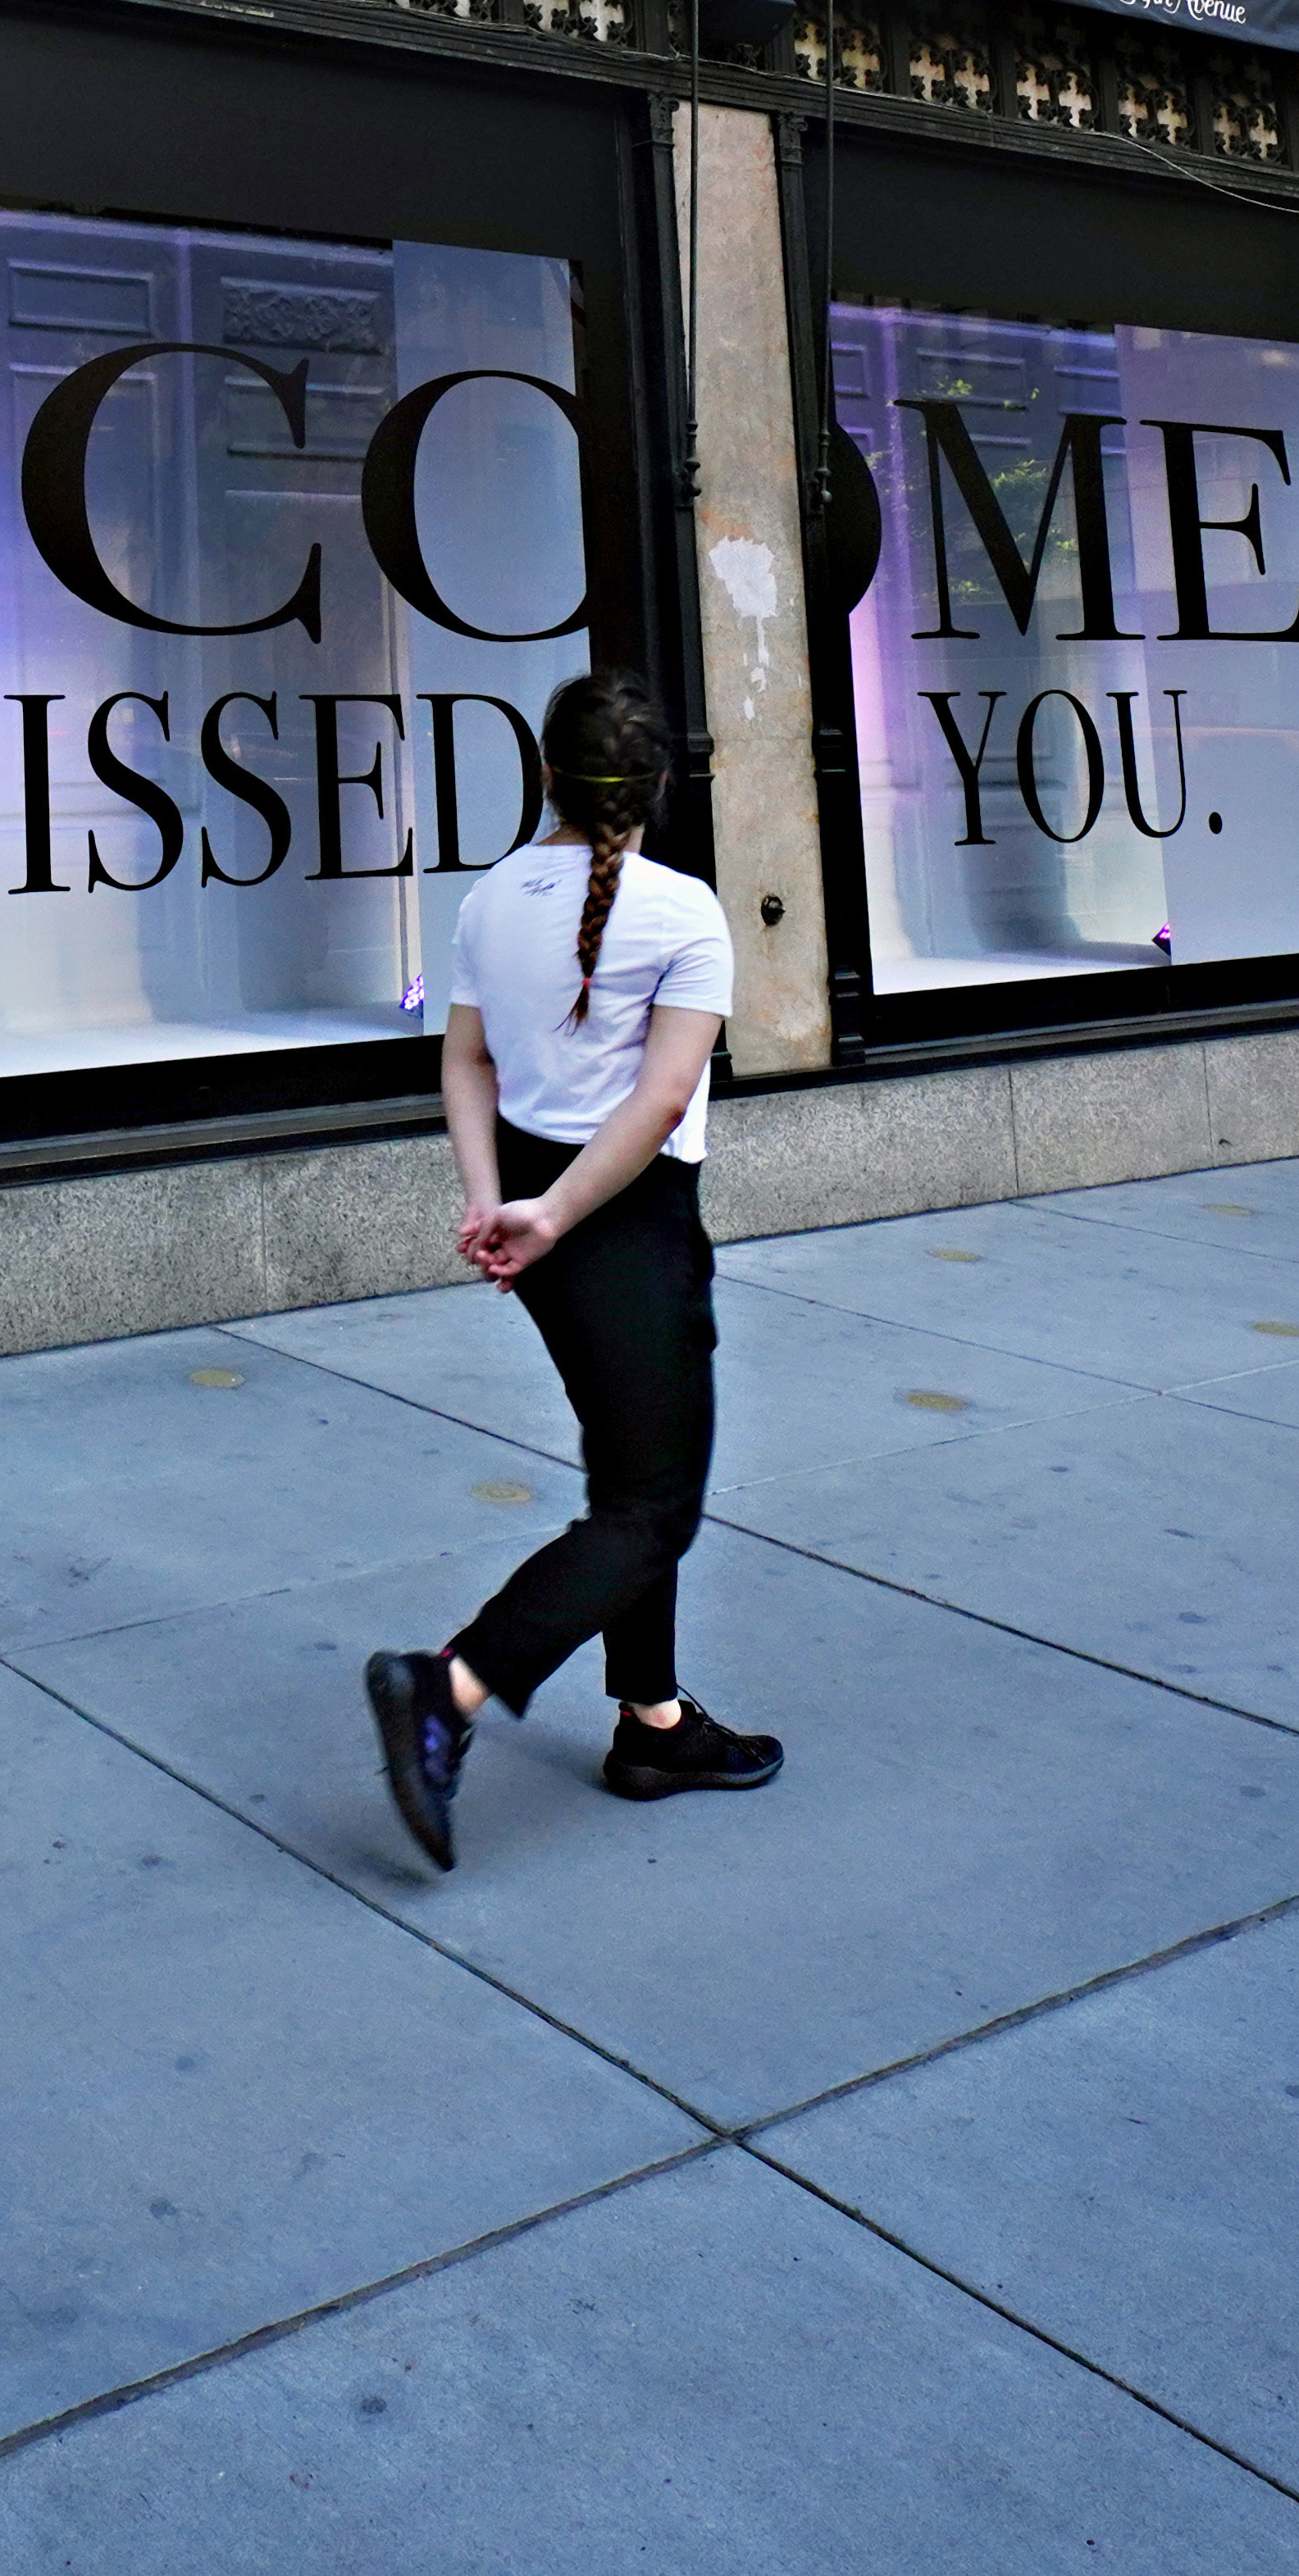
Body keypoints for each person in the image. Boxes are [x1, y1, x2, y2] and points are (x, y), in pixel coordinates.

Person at [363, 668, 780, 1872]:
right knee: (657, 1509)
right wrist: (545, 1213)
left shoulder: (492, 897)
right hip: (622, 1220)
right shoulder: (685, 911)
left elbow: (465, 1065)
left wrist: (496, 1197)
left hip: (550, 1218)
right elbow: (658, 1104)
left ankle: (651, 1724)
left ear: (545, 773)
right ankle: (449, 1686)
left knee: (627, 1483)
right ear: (655, 785)